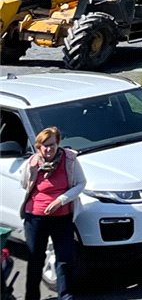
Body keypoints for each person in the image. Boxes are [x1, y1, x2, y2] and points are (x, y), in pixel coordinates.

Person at [19, 126, 81, 300]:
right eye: (44, 145)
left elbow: (80, 184)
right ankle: (31, 297)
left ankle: (66, 296)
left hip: (62, 217)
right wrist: (31, 169)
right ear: (38, 147)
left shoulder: (69, 159)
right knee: (35, 260)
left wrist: (60, 200)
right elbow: (24, 185)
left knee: (65, 259)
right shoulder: (32, 162)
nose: (48, 149)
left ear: (58, 143)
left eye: (52, 145)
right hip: (35, 218)